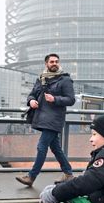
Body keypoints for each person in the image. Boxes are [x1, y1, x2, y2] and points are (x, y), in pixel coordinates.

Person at [16, 53, 76, 187]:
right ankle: (68, 174)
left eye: (56, 61)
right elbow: (32, 94)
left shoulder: (65, 80)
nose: (54, 64)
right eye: (51, 62)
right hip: (42, 117)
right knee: (55, 148)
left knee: (41, 146)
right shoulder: (41, 78)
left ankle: (31, 177)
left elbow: (71, 99)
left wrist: (55, 99)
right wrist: (31, 101)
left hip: (54, 119)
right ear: (46, 64)